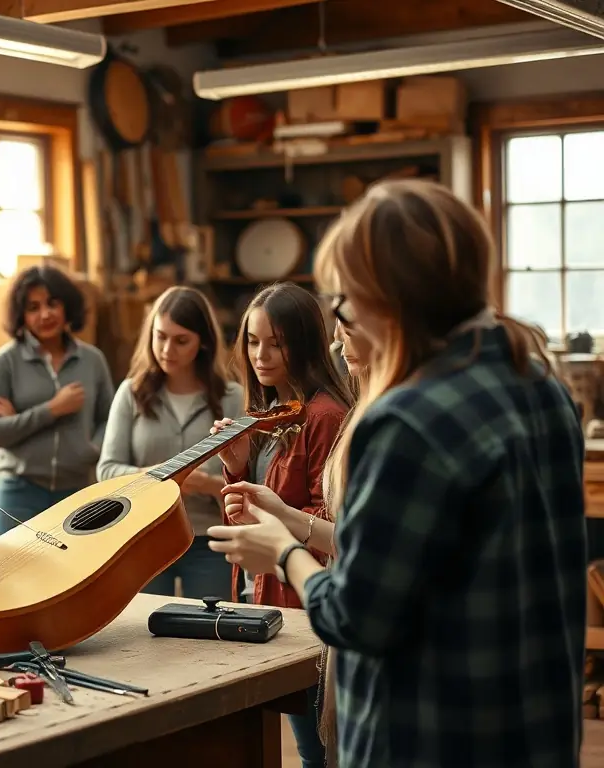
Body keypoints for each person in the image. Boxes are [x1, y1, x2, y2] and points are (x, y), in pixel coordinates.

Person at [207, 179, 587, 768]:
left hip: (428, 735)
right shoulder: (541, 387)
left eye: (345, 302)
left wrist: (281, 552)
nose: (341, 324)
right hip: (532, 728)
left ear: (387, 297)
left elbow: (353, 614)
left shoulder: (406, 420)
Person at [210, 281, 353, 768]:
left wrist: (272, 515)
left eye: (277, 342)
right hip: (269, 593)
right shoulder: (273, 412)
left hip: (306, 602)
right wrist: (235, 466)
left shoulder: (325, 415)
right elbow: (249, 510)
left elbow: (332, 523)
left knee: (320, 749)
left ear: (306, 342)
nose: (261, 355)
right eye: (252, 341)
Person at [97, 286, 243, 599]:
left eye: (181, 340)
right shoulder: (130, 393)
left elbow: (251, 481)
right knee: (145, 635)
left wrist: (207, 484)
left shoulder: (233, 398)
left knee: (211, 637)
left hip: (210, 539)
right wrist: (160, 476)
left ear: (203, 342)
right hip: (142, 539)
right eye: (160, 336)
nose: (167, 349)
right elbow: (106, 471)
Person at [0, 265, 114, 535]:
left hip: (77, 491)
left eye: (53, 303)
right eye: (33, 307)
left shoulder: (92, 360)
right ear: (21, 316)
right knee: (16, 577)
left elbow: (109, 421)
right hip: (18, 492)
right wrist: (51, 409)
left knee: (74, 575)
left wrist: (89, 449)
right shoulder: (5, 363)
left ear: (67, 306)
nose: (45, 314)